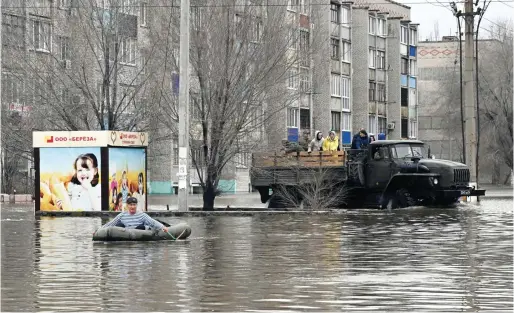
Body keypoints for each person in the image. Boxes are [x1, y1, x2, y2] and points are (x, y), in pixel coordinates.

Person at [100, 197, 168, 232]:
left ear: (136, 205)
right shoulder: (122, 215)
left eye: (134, 205)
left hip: (139, 233)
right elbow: (111, 223)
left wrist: (162, 227)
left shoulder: (142, 215)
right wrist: (99, 230)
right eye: (130, 205)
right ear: (127, 205)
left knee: (141, 227)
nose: (132, 207)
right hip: (126, 234)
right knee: (119, 225)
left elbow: (152, 222)